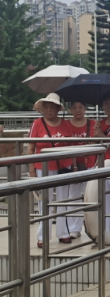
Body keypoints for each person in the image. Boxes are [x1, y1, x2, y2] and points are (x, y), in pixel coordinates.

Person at [28, 93, 73, 248]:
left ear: (58, 109)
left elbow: (72, 146)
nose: (48, 110)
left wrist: (73, 166)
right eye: (46, 107)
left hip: (63, 167)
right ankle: (43, 236)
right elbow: (30, 148)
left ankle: (63, 233)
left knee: (62, 200)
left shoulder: (66, 124)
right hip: (43, 167)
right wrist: (31, 170)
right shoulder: (37, 124)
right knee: (44, 202)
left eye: (52, 107)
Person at [66, 101, 96, 240]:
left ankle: (92, 227)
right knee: (73, 196)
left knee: (91, 196)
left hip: (89, 163)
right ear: (70, 110)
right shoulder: (66, 125)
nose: (78, 110)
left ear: (85, 109)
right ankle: (74, 228)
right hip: (73, 165)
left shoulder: (93, 124)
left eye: (81, 107)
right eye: (74, 107)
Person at [94, 92, 110, 234]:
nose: (109, 106)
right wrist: (97, 136)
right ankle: (105, 231)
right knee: (103, 199)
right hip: (102, 163)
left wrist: (101, 136)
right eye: (106, 103)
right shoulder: (100, 123)